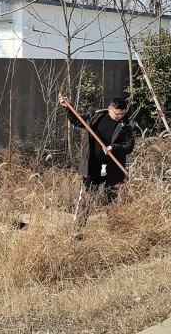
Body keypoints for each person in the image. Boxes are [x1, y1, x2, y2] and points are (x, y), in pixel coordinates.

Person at [59, 95, 135, 239]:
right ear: (110, 109)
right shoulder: (96, 117)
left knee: (112, 199)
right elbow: (77, 120)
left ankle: (115, 232)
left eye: (122, 113)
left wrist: (114, 147)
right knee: (87, 198)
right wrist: (67, 107)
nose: (120, 116)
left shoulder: (125, 126)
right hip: (93, 166)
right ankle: (78, 230)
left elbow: (129, 146)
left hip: (113, 170)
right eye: (117, 113)